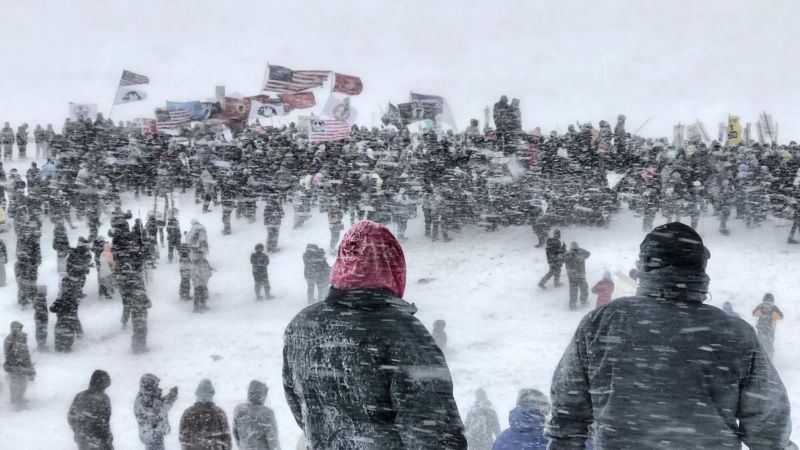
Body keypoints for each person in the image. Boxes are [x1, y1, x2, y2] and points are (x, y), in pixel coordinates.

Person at [545, 222, 794, 449]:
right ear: (700, 269)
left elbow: (566, 413)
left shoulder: (602, 322)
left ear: (644, 266)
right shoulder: (735, 334)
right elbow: (769, 428)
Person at [283, 220, 467, 449]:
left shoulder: (301, 325)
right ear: (393, 265)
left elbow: (301, 409)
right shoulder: (402, 332)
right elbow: (434, 432)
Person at [179, 379, 232, 450]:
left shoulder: (189, 412)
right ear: (212, 394)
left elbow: (183, 437)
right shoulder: (219, 413)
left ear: (197, 393)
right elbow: (226, 438)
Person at [68, 369, 113, 450]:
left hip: (83, 440)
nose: (104, 389)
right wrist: (107, 442)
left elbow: (71, 417)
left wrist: (78, 431)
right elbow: (104, 424)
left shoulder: (80, 396)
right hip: (97, 442)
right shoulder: (102, 400)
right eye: (104, 386)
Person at [135, 373, 178, 450]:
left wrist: (170, 396)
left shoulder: (148, 396)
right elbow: (157, 411)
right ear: (149, 386)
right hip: (152, 436)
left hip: (154, 435)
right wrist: (171, 399)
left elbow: (158, 404)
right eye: (156, 385)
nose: (157, 387)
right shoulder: (144, 399)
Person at [232, 380, 280, 450]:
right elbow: (273, 442)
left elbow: (236, 434)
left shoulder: (239, 410)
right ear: (262, 394)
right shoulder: (267, 413)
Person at [4, 321, 36, 409]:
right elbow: (24, 354)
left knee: (15, 382)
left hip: (12, 365)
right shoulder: (19, 338)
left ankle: (15, 398)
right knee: (20, 383)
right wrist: (28, 366)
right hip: (18, 365)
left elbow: (8, 353)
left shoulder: (8, 338)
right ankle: (19, 402)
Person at [752, 293, 784, 360]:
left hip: (769, 329)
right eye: (766, 301)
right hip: (763, 328)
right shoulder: (761, 306)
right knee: (763, 343)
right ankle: (763, 358)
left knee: (766, 345)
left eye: (769, 302)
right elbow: (755, 314)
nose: (767, 304)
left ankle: (767, 359)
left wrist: (777, 313)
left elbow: (781, 316)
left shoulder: (773, 308)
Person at [563, 242, 591, 310]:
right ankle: (577, 303)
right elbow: (562, 259)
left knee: (579, 290)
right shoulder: (568, 254)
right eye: (575, 248)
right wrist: (571, 253)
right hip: (576, 276)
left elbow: (588, 253)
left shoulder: (580, 253)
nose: (575, 250)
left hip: (577, 276)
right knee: (578, 290)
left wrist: (579, 249)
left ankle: (579, 302)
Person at [33, 285, 49, 350]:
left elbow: (34, 307)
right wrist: (44, 317)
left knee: (39, 331)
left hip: (38, 317)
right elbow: (41, 310)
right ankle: (41, 346)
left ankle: (40, 345)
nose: (46, 292)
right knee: (42, 332)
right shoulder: (41, 298)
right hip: (41, 318)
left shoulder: (37, 297)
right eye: (45, 290)